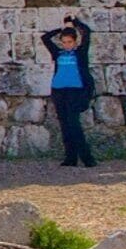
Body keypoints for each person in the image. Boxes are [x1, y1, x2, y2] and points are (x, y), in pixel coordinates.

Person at [41, 16, 97, 168]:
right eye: (64, 42)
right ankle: (70, 158)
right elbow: (45, 38)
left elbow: (87, 32)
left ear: (74, 42)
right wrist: (62, 28)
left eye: (69, 42)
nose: (66, 45)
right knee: (64, 125)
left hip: (75, 92)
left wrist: (74, 23)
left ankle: (87, 158)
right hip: (59, 91)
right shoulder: (58, 53)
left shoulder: (80, 53)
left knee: (74, 124)